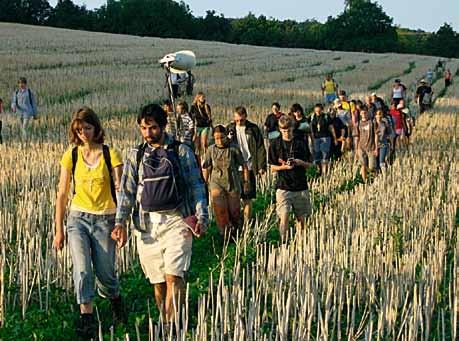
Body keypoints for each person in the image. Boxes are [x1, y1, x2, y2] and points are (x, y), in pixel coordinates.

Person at [113, 104, 208, 331]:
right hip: (146, 226)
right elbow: (126, 192)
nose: (148, 133)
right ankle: (170, 319)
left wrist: (202, 216)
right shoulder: (135, 155)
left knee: (173, 276)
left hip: (178, 220)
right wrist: (120, 223)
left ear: (163, 126)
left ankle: (169, 327)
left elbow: (196, 185)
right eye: (144, 128)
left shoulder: (181, 151)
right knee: (158, 282)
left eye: (153, 128)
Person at [53, 107, 124, 338]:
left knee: (105, 273)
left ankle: (115, 300)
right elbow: (62, 194)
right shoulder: (70, 155)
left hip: (105, 218)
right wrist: (58, 230)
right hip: (78, 219)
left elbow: (122, 191)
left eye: (87, 128)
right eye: (79, 129)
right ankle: (87, 318)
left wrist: (121, 223)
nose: (83, 132)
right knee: (82, 270)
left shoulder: (110, 154)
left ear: (96, 128)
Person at [268, 115, 312, 240]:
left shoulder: (300, 143)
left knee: (302, 218)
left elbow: (309, 164)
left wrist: (299, 162)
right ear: (280, 129)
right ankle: (283, 243)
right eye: (283, 130)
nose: (286, 133)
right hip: (283, 186)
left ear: (292, 128)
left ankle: (302, 241)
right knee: (284, 216)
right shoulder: (275, 144)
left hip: (300, 186)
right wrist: (284, 167)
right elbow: (272, 167)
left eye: (288, 130)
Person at [202, 125, 249, 237]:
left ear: (226, 136)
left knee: (234, 212)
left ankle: (237, 232)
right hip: (216, 182)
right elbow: (207, 167)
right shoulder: (211, 150)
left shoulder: (233, 149)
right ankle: (224, 235)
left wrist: (246, 182)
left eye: (222, 137)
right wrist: (204, 183)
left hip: (232, 182)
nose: (219, 141)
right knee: (220, 211)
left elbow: (244, 165)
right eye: (216, 138)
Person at [227, 106, 267, 222]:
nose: (239, 122)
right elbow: (221, 145)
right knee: (233, 198)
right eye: (237, 120)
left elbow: (260, 148)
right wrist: (228, 138)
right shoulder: (230, 128)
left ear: (246, 117)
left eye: (241, 120)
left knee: (247, 198)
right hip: (234, 168)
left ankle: (246, 225)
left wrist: (261, 166)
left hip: (249, 167)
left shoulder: (253, 129)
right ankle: (235, 223)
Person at [310, 103, 337, 175]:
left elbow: (331, 128)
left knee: (325, 156)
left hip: (325, 137)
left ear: (322, 110)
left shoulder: (326, 116)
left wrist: (335, 138)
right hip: (316, 139)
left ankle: (325, 173)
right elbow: (310, 128)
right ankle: (319, 171)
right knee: (317, 156)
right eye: (316, 111)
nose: (318, 112)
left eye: (319, 111)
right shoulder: (312, 117)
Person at [356, 106, 376, 182]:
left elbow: (376, 135)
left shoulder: (372, 122)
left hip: (371, 147)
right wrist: (357, 149)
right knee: (363, 165)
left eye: (365, 112)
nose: (364, 114)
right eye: (362, 113)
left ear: (367, 113)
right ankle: (365, 181)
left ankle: (373, 179)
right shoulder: (358, 124)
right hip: (361, 147)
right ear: (360, 114)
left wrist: (375, 147)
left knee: (371, 167)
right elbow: (357, 137)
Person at [190, 92, 212, 158]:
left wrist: (211, 125)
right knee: (197, 145)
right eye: (202, 97)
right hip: (197, 127)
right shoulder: (193, 107)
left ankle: (206, 157)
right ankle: (198, 159)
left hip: (205, 126)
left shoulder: (206, 106)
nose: (203, 99)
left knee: (204, 143)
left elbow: (210, 117)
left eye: (204, 97)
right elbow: (191, 116)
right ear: (198, 98)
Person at [374, 109, 392, 174]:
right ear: (375, 115)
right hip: (374, 146)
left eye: (380, 114)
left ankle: (385, 176)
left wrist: (390, 144)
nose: (378, 116)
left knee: (381, 162)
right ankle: (378, 176)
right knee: (375, 164)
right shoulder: (372, 124)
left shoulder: (385, 124)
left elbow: (389, 133)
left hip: (383, 144)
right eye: (377, 114)